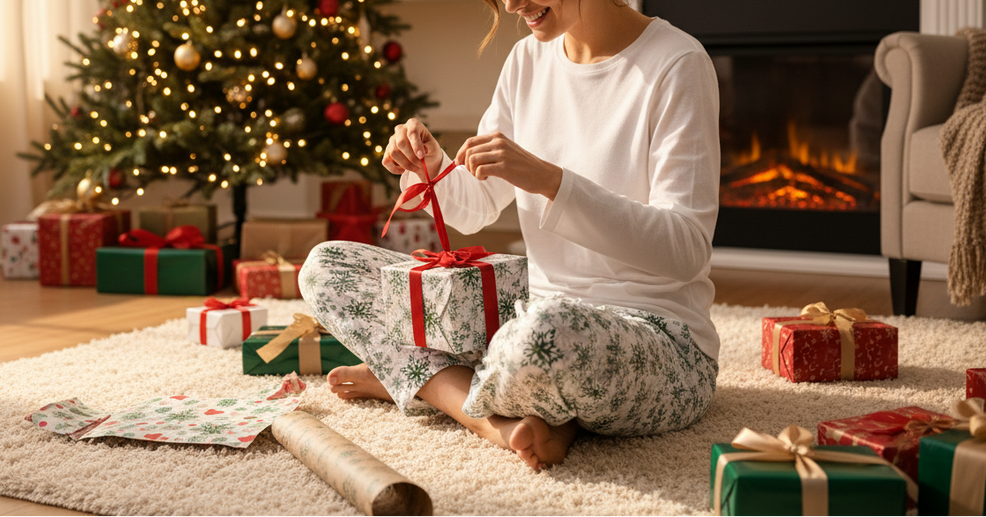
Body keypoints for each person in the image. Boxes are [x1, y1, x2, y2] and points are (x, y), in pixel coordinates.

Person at [298, 0, 721, 470]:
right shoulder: (526, 60)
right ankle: (497, 410)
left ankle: (425, 381)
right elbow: (475, 205)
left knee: (545, 335)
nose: (512, 4)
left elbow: (686, 249)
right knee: (327, 267)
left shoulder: (678, 63)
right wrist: (432, 165)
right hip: (527, 317)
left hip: (655, 337)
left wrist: (551, 182)